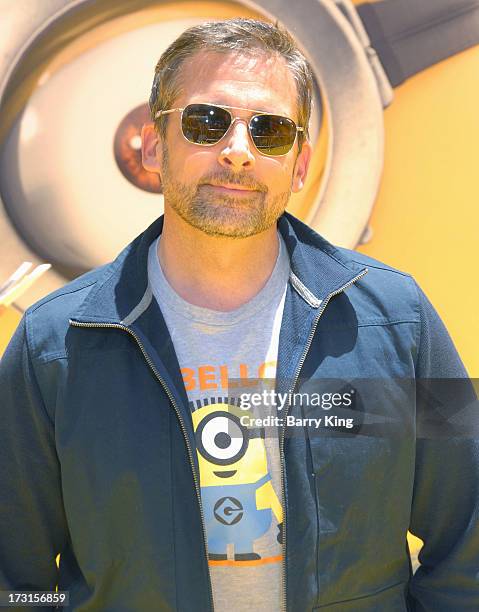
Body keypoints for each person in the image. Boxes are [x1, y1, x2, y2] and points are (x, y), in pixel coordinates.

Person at [0, 18, 477, 612]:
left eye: (271, 131)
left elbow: (468, 535)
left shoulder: (397, 322)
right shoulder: (54, 346)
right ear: (154, 144)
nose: (238, 152)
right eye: (207, 122)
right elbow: (14, 581)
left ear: (300, 165)